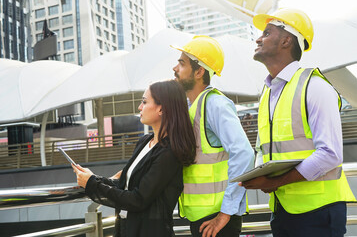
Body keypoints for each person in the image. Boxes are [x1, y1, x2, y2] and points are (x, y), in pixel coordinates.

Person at [240, 8, 356, 236]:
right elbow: (263, 148)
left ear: (286, 40)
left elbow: (330, 154)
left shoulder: (316, 87)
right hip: (282, 210)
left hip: (319, 212)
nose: (258, 38)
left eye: (266, 32)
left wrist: (277, 181)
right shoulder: (267, 93)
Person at [73, 80, 196, 237]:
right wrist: (93, 178)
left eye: (144, 102)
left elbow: (138, 199)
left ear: (161, 108)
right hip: (126, 228)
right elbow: (125, 185)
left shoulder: (169, 152)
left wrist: (91, 184)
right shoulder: (144, 141)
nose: (139, 107)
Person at [171, 36, 254, 237]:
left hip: (217, 221)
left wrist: (225, 213)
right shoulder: (194, 107)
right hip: (202, 219)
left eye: (182, 63)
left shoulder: (215, 104)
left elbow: (244, 154)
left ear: (199, 72)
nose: (175, 68)